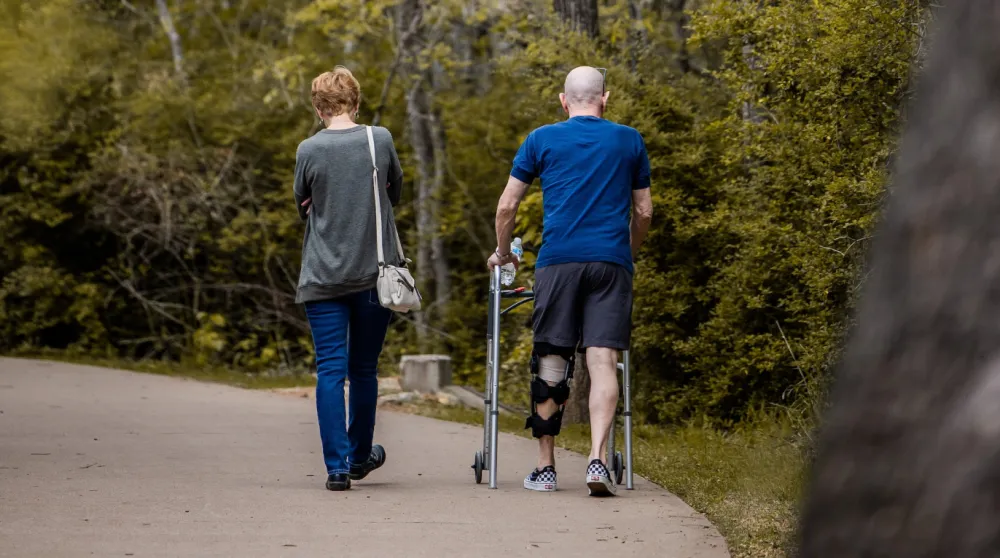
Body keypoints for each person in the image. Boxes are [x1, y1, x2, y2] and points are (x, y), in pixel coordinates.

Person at [487, 66, 653, 496]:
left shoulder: (541, 139)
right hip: (610, 263)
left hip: (559, 262)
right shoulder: (629, 139)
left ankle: (546, 468)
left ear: (564, 100)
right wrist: (626, 256)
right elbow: (645, 213)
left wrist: (504, 253)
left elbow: (507, 207)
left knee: (552, 362)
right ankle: (598, 460)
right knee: (602, 362)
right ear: (606, 98)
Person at [293, 66, 405, 491]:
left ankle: (337, 468)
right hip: (375, 274)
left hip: (322, 276)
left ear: (318, 107)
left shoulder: (308, 149)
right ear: (356, 102)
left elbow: (302, 203)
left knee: (330, 370)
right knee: (362, 369)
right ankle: (360, 456)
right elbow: (394, 193)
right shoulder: (380, 140)